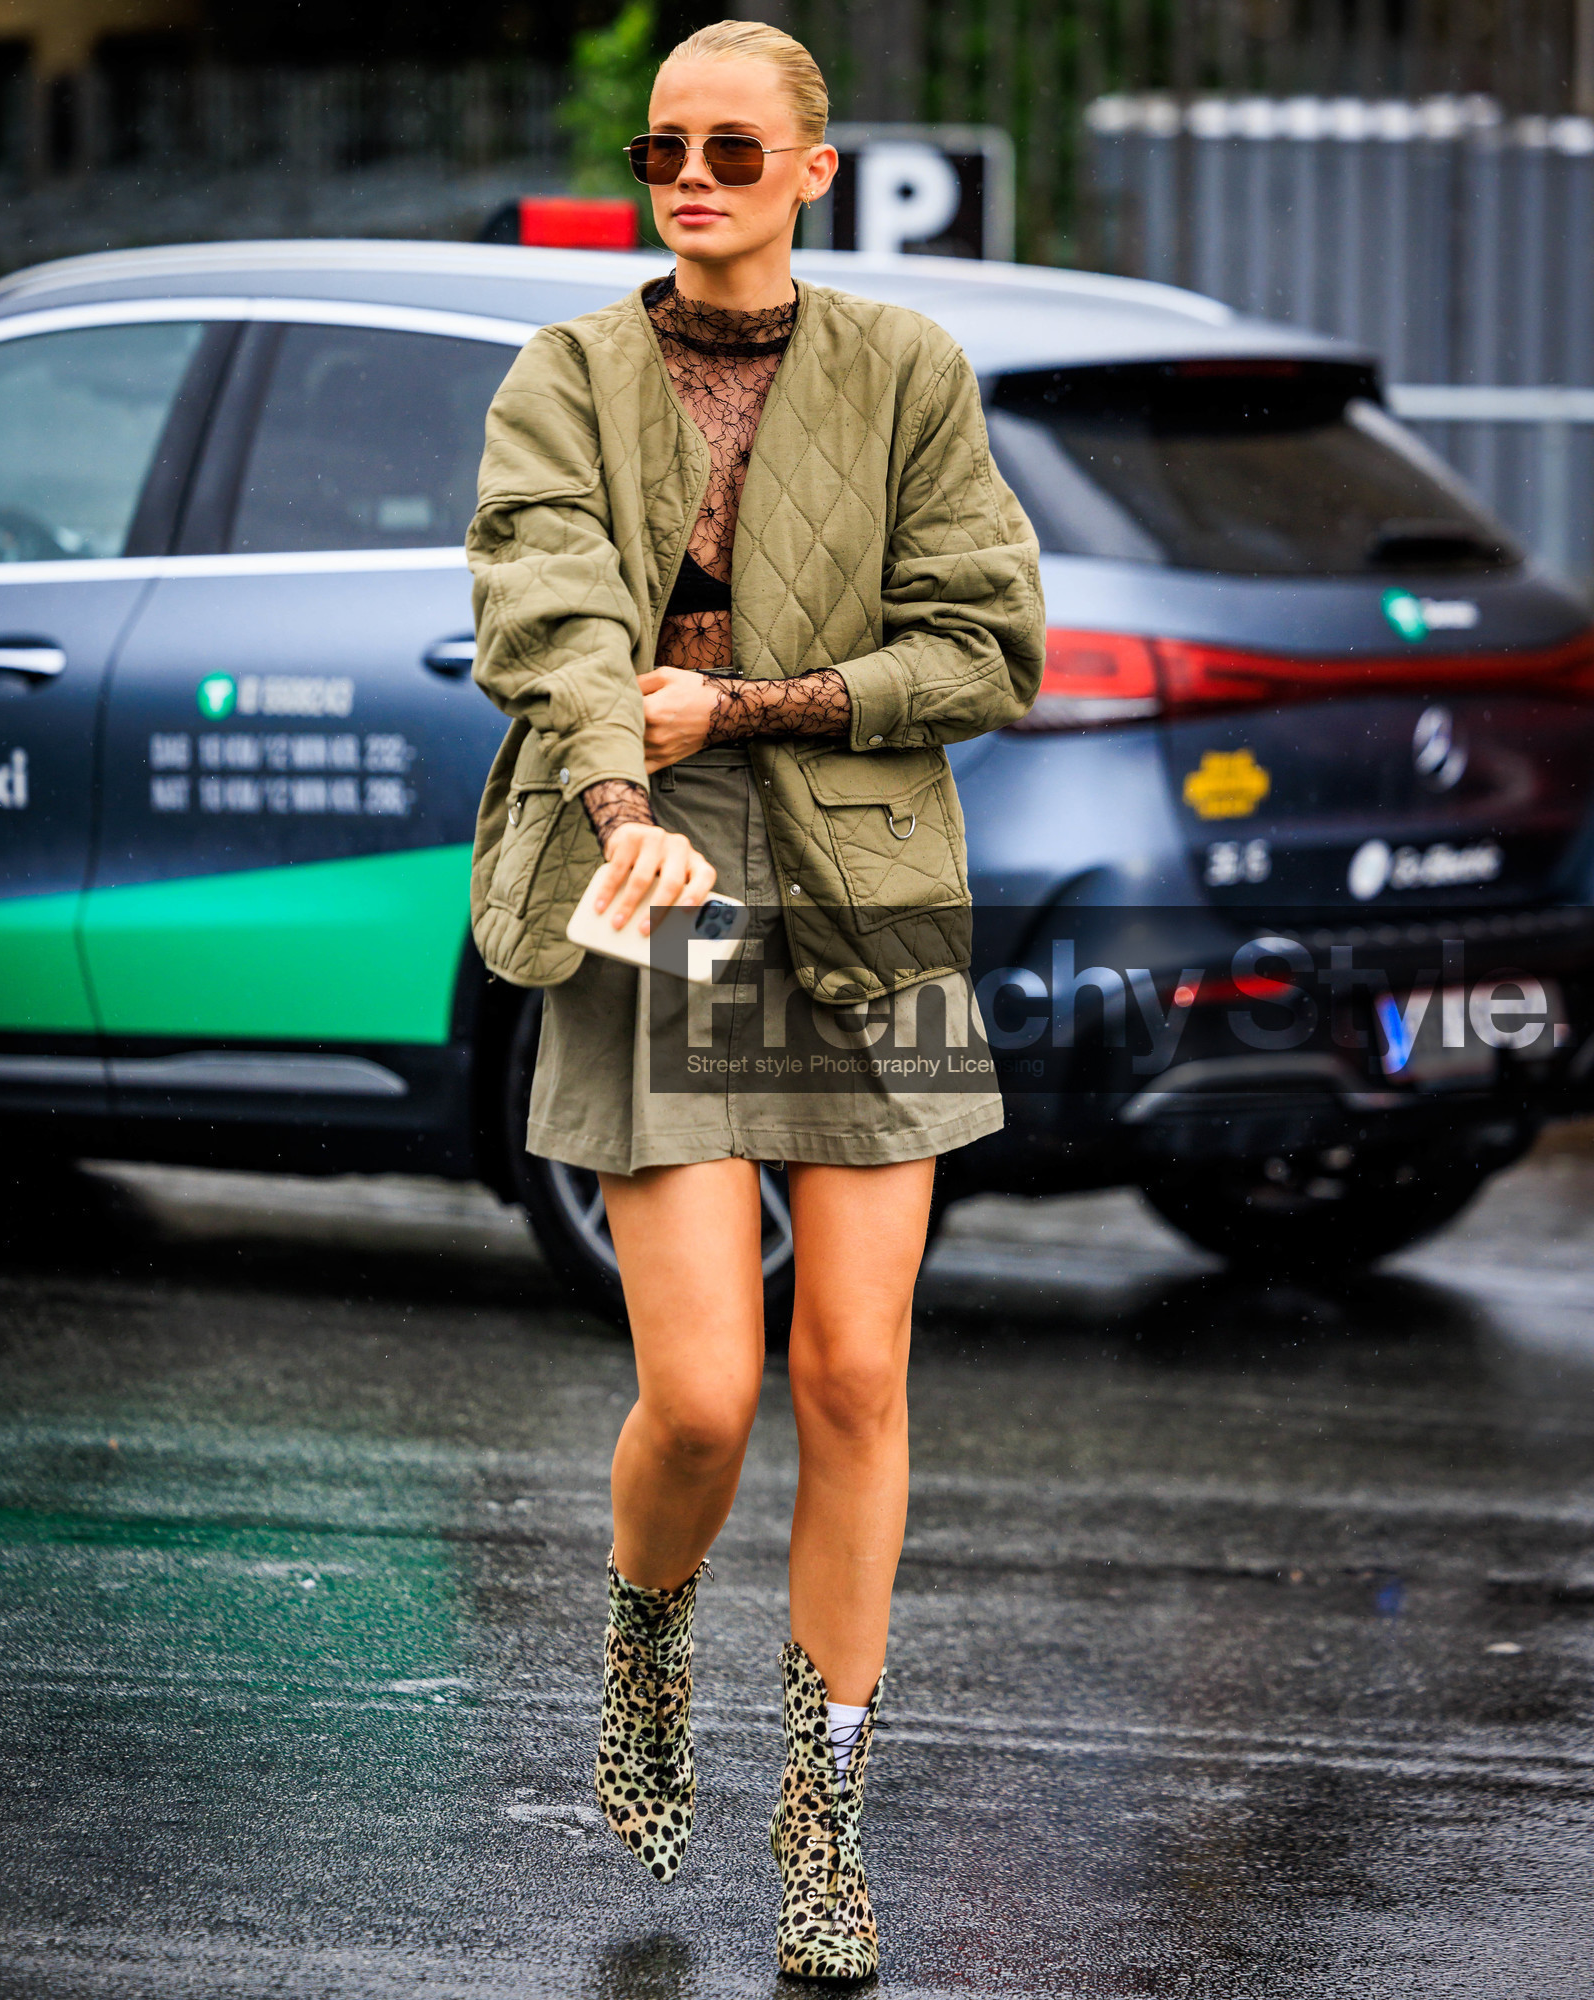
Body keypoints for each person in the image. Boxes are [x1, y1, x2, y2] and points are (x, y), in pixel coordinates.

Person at [467, 18, 1042, 1981]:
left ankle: (820, 1820)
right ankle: (645, 1630)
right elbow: (543, 613)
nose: (687, 172)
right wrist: (628, 787)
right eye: (661, 146)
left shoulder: (903, 372)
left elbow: (984, 639)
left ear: (811, 166)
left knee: (854, 1376)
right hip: (671, 866)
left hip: (869, 875)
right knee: (705, 1394)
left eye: (730, 146)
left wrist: (768, 700)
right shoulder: (571, 373)